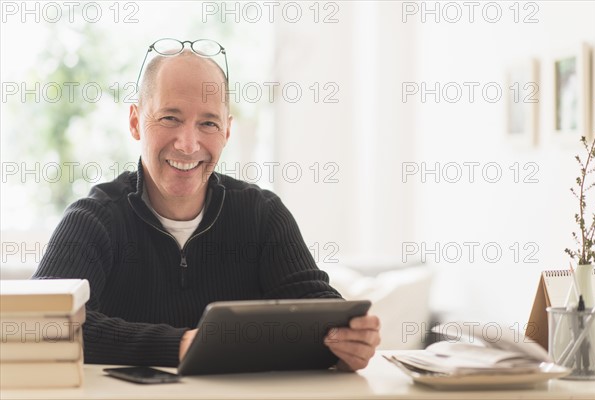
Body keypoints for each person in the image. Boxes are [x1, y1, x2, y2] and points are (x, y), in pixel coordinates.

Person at [33, 39, 380, 371]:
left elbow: (316, 307)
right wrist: (180, 345)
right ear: (136, 122)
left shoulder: (262, 215)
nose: (188, 144)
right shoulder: (93, 219)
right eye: (170, 118)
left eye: (208, 123)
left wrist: (347, 342)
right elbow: (43, 323)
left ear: (227, 133)